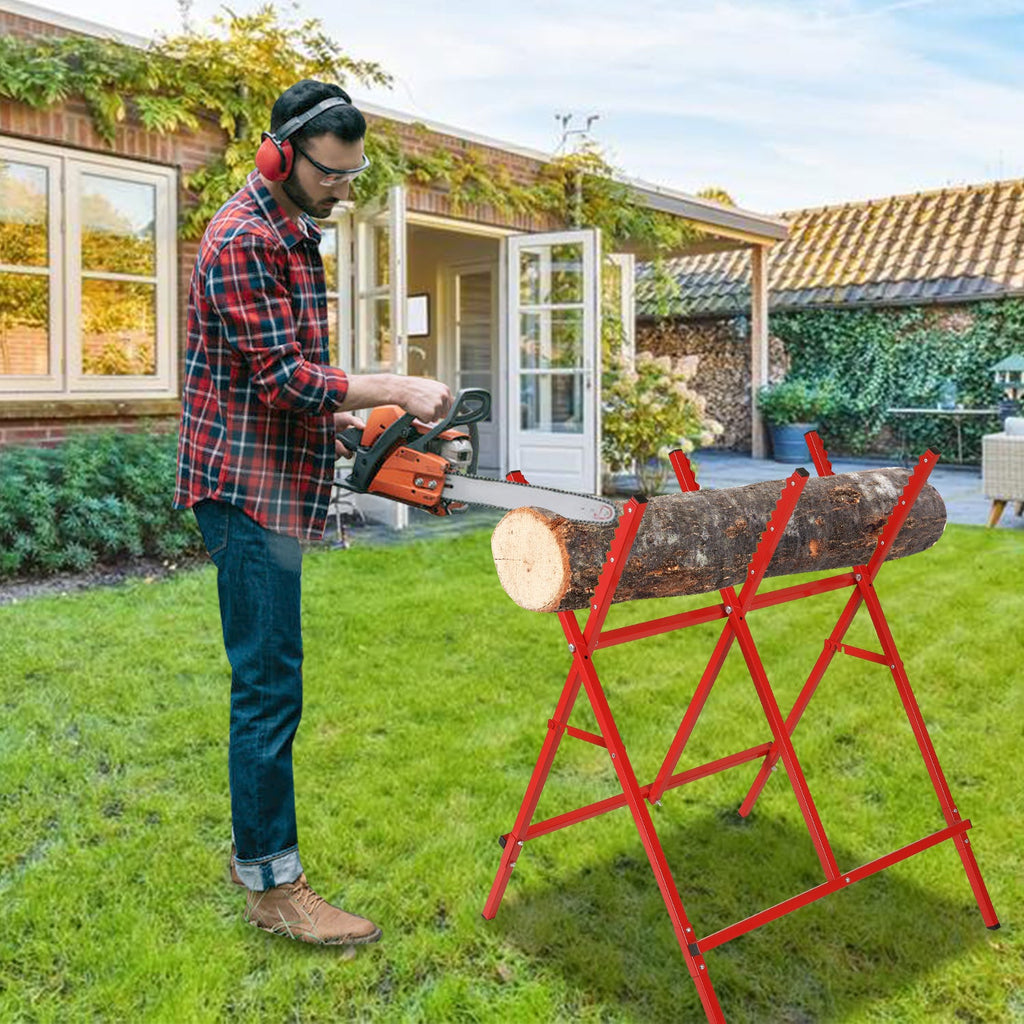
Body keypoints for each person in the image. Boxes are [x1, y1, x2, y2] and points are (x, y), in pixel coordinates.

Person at [174, 79, 452, 946]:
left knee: (273, 678)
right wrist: (392, 383)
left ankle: (257, 854)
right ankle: (272, 886)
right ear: (280, 156)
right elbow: (282, 377)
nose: (343, 188)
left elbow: (290, 382)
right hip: (244, 492)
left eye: (352, 173)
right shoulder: (243, 239)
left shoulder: (296, 230)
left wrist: (338, 421)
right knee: (267, 687)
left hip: (276, 481)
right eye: (331, 174)